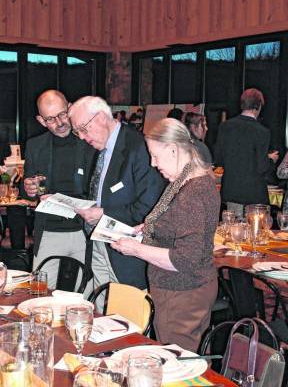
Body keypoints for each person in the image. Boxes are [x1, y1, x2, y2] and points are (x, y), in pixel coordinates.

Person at [111, 118, 220, 351]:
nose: (152, 163)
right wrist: (151, 227)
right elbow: (180, 226)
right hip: (187, 291)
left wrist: (135, 249)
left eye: (156, 156)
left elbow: (185, 259)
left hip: (181, 293)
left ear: (173, 149)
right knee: (187, 359)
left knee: (178, 364)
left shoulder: (192, 191)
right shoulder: (190, 179)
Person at [68, 96, 165, 305]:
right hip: (99, 243)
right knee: (102, 313)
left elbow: (150, 207)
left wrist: (104, 213)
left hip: (128, 253)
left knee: (129, 317)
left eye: (83, 129)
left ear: (101, 117)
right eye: (78, 132)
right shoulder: (95, 148)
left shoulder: (138, 147)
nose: (82, 137)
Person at [23, 90, 94, 289]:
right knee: (40, 293)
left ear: (70, 108)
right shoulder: (35, 146)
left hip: (84, 231)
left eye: (63, 114)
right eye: (51, 119)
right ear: (41, 120)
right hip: (49, 231)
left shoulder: (90, 142)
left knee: (85, 294)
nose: (60, 122)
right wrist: (28, 187)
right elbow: (28, 184)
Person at [214, 88, 279, 218]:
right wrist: (271, 159)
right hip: (254, 195)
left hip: (231, 192)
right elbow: (262, 167)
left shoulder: (225, 127)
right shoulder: (262, 132)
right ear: (258, 106)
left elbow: (219, 160)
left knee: (233, 232)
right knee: (255, 234)